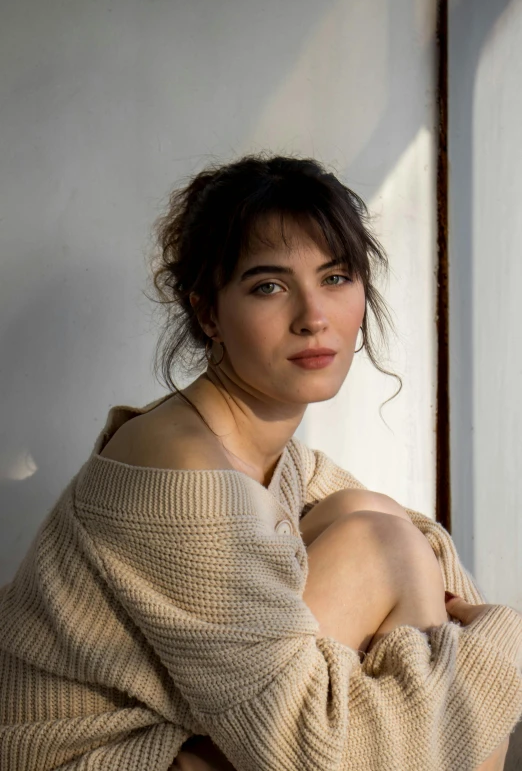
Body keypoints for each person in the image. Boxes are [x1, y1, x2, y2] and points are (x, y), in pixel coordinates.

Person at [1, 154, 520, 771]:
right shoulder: (180, 467)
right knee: (381, 546)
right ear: (208, 312)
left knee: (370, 516)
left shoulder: (268, 450)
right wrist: (500, 649)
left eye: (335, 277)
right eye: (269, 286)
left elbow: (425, 551)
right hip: (91, 759)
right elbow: (304, 753)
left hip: (176, 740)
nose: (313, 317)